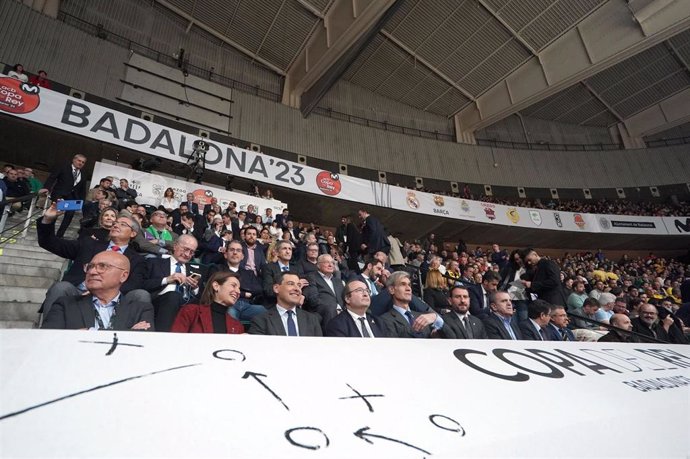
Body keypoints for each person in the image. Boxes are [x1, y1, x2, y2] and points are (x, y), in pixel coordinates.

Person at [38, 204, 148, 318]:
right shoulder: (89, 244)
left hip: (113, 299)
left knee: (141, 295)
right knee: (61, 287)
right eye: (115, 224)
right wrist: (48, 220)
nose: (115, 226)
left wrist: (106, 292)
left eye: (123, 224)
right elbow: (49, 243)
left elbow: (134, 284)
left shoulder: (137, 259)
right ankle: (48, 332)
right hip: (80, 293)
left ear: (133, 233)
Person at [42, 251, 153, 330]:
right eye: (90, 266)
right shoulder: (65, 304)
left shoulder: (141, 309)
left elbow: (142, 346)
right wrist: (128, 333)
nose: (92, 272)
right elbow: (48, 341)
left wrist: (84, 334)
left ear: (123, 276)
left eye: (102, 266)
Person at [142, 235, 202, 332]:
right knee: (173, 296)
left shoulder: (196, 269)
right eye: (185, 249)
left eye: (191, 252)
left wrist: (195, 288)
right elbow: (142, 284)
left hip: (187, 303)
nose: (187, 254)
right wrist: (167, 280)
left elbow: (203, 295)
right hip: (160, 301)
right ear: (175, 246)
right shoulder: (154, 262)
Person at [248, 272, 322, 336]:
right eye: (291, 284)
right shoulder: (261, 320)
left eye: (299, 285)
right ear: (276, 288)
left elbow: (319, 349)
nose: (297, 289)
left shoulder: (312, 320)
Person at [209, 239, 266, 320]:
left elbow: (258, 290)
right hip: (227, 304)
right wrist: (244, 293)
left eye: (238, 250)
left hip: (247, 306)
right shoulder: (217, 269)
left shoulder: (249, 273)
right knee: (230, 315)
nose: (235, 253)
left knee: (264, 312)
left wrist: (233, 289)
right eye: (232, 250)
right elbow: (215, 288)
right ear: (225, 254)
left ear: (242, 256)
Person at [171, 271, 245, 334]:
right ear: (216, 286)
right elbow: (176, 342)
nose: (238, 291)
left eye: (239, 288)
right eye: (233, 286)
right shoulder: (191, 312)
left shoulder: (237, 326)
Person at [376, 271, 443, 338]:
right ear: (392, 290)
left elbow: (449, 336)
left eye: (409, 285)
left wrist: (436, 318)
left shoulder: (424, 316)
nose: (408, 289)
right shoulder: (385, 320)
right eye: (403, 284)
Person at [39, 154, 88, 237]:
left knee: (70, 215)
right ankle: (47, 232)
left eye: (83, 162)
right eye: (79, 161)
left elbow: (82, 189)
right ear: (74, 160)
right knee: (54, 213)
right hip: (59, 194)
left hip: (72, 197)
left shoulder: (83, 174)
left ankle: (59, 235)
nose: (80, 163)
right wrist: (46, 188)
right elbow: (52, 177)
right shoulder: (63, 167)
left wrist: (81, 201)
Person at [303, 254, 345, 328]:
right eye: (326, 262)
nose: (330, 265)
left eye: (332, 263)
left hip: (342, 314)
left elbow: (344, 299)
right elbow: (313, 300)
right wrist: (333, 307)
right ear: (318, 265)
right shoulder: (311, 277)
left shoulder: (338, 281)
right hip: (324, 314)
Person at [261, 240, 307, 306]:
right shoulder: (268, 268)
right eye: (284, 248)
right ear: (277, 252)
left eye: (290, 249)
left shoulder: (297, 268)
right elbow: (268, 290)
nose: (288, 252)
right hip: (275, 304)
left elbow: (305, 286)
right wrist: (296, 287)